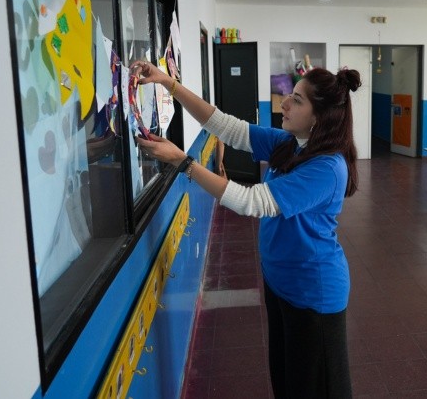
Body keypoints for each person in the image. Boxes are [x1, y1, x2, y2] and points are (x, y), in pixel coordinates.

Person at [132, 60, 359, 398]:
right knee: (286, 382)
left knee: (316, 390)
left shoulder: (328, 167)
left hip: (314, 293)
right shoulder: (291, 143)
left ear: (319, 115)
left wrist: (183, 162)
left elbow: (250, 202)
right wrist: (167, 82)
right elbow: (224, 126)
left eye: (297, 99)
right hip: (281, 283)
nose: (284, 103)